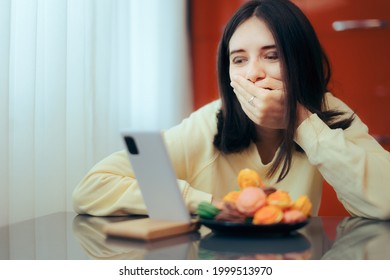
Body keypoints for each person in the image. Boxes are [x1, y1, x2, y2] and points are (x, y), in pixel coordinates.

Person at [73, 0, 390, 219]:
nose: (253, 73)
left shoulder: (327, 112)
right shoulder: (208, 122)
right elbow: (94, 185)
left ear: (299, 61)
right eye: (238, 60)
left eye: (272, 55)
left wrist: (300, 121)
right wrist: (209, 205)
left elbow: (385, 200)